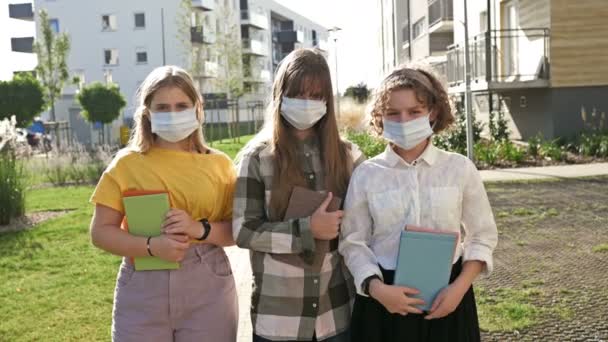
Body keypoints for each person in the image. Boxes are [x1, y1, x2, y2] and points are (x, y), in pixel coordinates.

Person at [339, 66, 498, 342]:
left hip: (449, 300)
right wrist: (378, 290)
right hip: (383, 305)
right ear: (380, 118)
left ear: (433, 112)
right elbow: (353, 242)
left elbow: (482, 236)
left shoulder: (460, 169)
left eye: (414, 112)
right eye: (393, 113)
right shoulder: (367, 174)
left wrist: (458, 289)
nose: (403, 120)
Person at [89, 65, 238, 341]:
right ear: (147, 113)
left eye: (181, 105)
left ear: (197, 108)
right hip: (142, 288)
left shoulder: (220, 165)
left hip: (208, 284)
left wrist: (198, 229)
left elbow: (237, 231)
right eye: (162, 107)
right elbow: (100, 232)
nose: (172, 114)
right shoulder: (126, 164)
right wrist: (151, 246)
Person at [232, 48, 365, 342]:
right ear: (280, 95)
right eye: (298, 94)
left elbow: (371, 219)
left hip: (337, 313)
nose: (307, 103)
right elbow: (243, 231)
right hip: (279, 320)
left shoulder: (348, 156)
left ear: (327, 101)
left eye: (316, 96)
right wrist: (308, 229)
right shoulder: (257, 158)